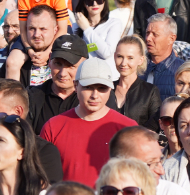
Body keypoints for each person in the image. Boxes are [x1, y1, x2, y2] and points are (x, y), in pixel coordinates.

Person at [40, 58, 137, 187]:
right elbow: (41, 178)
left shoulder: (128, 128)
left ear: (110, 89)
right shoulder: (53, 127)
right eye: (88, 87)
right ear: (75, 86)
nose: (95, 95)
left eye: (102, 88)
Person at [109, 34, 162, 131]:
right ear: (114, 57)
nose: (123, 63)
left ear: (140, 60)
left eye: (130, 58)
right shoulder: (106, 88)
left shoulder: (150, 92)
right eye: (120, 56)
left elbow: (155, 127)